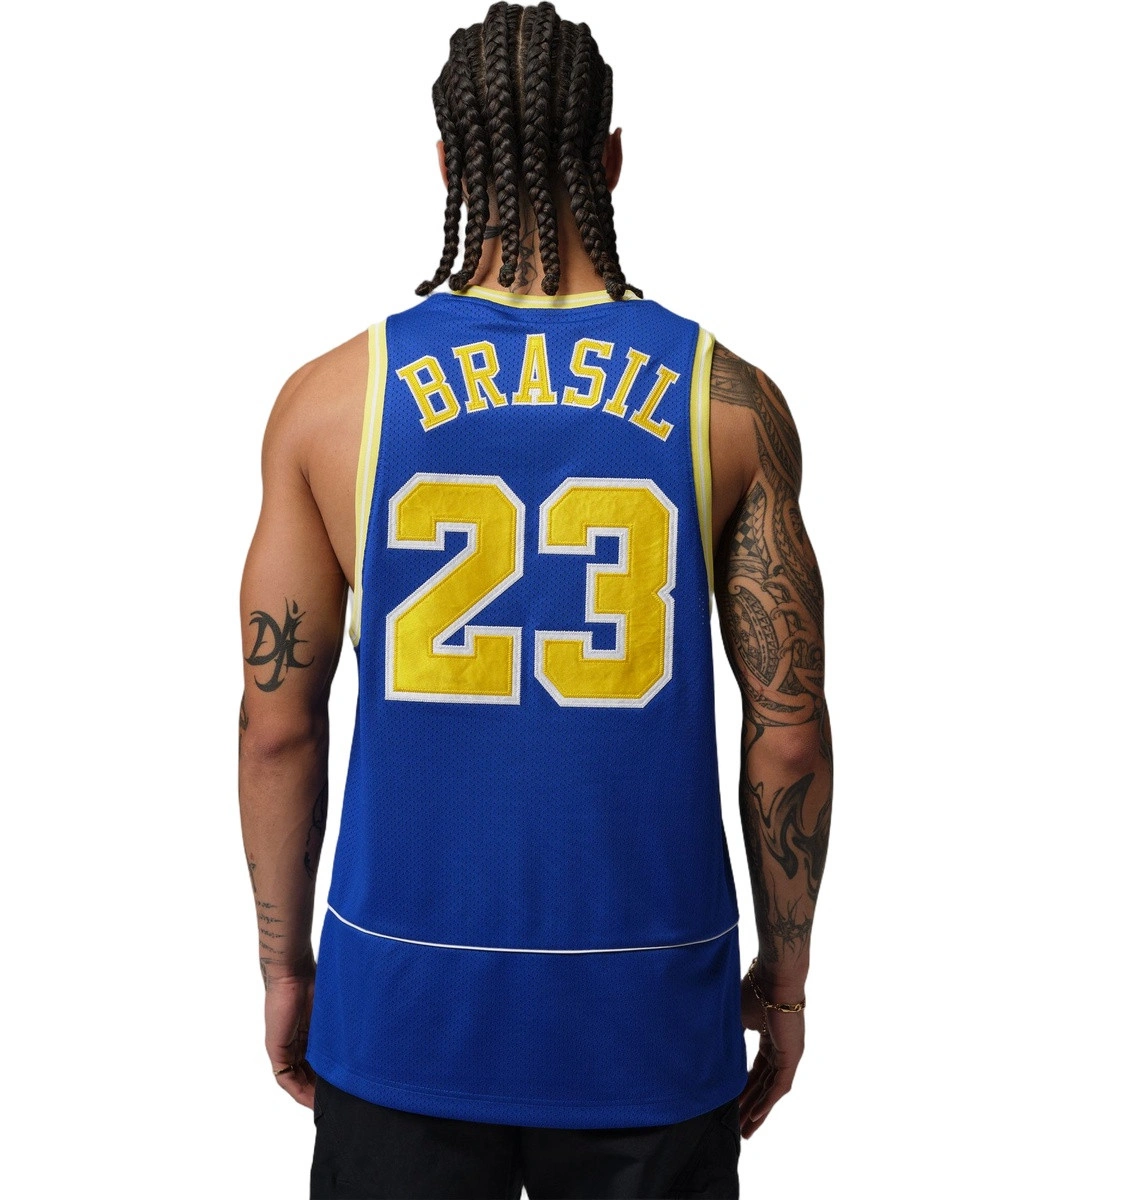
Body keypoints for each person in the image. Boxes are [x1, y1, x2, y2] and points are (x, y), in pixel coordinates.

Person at [237, 3, 833, 1196]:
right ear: (611, 158)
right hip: (651, 1021)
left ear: (446, 164)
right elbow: (788, 728)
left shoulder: (332, 400)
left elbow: (277, 724)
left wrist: (286, 967)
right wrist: (785, 977)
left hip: (400, 1009)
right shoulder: (728, 400)